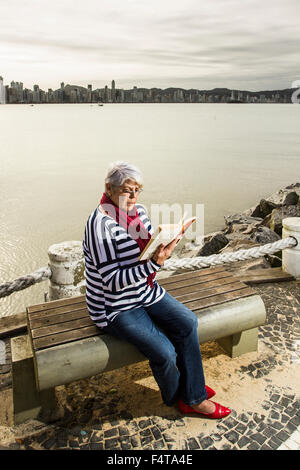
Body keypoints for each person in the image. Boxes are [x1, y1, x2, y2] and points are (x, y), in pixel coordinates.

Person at [83, 161, 231, 419]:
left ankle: (192, 391)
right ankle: (184, 399)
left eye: (138, 190)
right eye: (128, 190)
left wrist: (167, 247)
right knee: (165, 352)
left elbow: (151, 248)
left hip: (144, 290)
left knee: (187, 322)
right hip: (115, 305)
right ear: (109, 188)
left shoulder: (138, 211)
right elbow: (112, 282)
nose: (134, 197)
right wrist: (154, 263)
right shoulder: (100, 227)